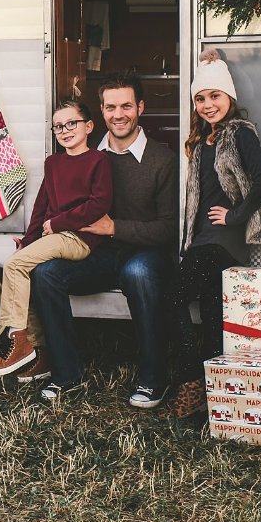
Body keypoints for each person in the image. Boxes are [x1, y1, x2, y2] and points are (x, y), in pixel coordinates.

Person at [28, 72, 178, 403]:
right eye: (111, 107)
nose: (118, 114)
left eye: (126, 106)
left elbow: (168, 228)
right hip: (96, 253)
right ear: (101, 111)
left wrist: (115, 227)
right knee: (46, 273)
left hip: (144, 251)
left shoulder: (163, 160)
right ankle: (65, 373)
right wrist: (32, 240)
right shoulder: (86, 154)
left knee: (137, 273)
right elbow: (50, 202)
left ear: (140, 107)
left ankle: (154, 379)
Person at [158, 50, 261, 418]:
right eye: (200, 98)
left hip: (221, 243)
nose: (208, 105)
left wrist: (236, 215)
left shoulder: (239, 133)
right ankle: (214, 397)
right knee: (211, 316)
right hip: (204, 241)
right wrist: (216, 59)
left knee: (171, 299)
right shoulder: (205, 139)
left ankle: (190, 381)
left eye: (215, 96)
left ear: (230, 97)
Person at [0, 100, 113, 382]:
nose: (65, 130)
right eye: (58, 126)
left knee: (14, 266)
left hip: (80, 239)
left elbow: (99, 204)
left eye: (72, 123)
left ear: (89, 126)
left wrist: (58, 223)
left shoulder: (98, 160)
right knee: (25, 270)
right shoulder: (53, 163)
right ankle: (40, 353)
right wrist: (28, 241)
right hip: (53, 235)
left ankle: (17, 339)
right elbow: (41, 206)